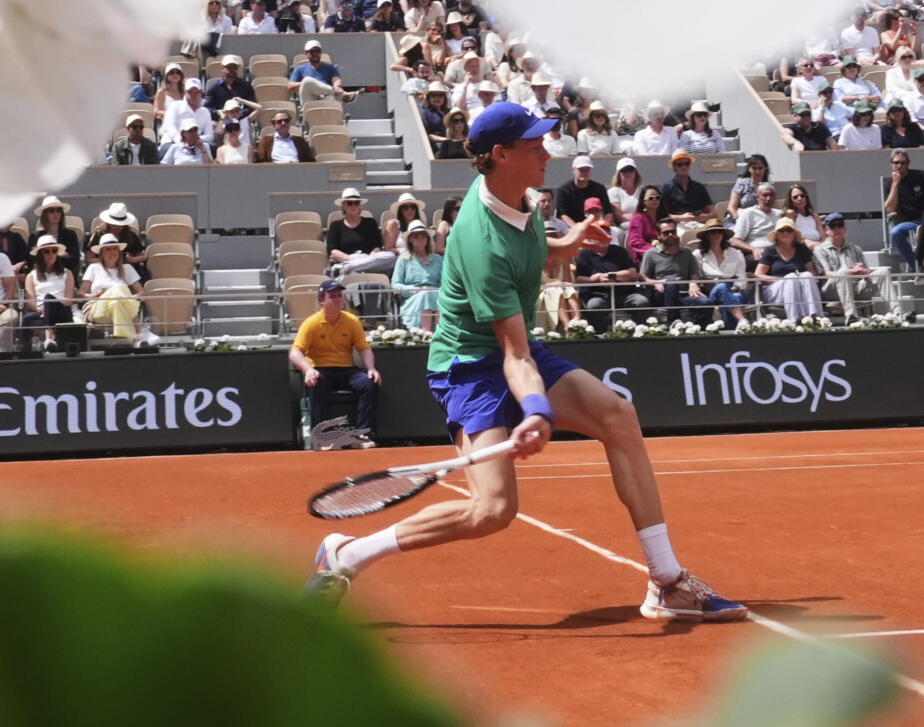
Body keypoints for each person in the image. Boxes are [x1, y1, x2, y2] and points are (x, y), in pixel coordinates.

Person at [308, 101, 745, 621]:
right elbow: (514, 354)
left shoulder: (523, 196)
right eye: (534, 145)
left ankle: (667, 581)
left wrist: (568, 243)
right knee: (493, 510)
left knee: (618, 416)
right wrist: (536, 409)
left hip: (515, 351)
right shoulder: (481, 241)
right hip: (469, 367)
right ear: (500, 154)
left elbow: (532, 252)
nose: (546, 152)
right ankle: (349, 553)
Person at [291, 277, 379, 443]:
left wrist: (371, 368)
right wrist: (308, 370)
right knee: (317, 382)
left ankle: (362, 434)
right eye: (332, 296)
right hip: (320, 370)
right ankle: (323, 436)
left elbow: (363, 348)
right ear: (321, 300)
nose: (337, 299)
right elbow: (295, 352)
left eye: (339, 296)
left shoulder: (352, 321)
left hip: (347, 370)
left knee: (369, 383)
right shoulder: (311, 323)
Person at [813, 215, 884, 319]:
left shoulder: (856, 249)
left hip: (856, 287)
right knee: (842, 273)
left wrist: (863, 270)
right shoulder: (820, 250)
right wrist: (851, 272)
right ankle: (851, 315)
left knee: (883, 271)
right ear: (826, 230)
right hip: (832, 290)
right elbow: (825, 274)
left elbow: (866, 271)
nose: (837, 228)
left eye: (840, 225)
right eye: (832, 226)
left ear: (844, 229)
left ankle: (897, 313)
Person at [757, 219, 823, 322]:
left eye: (789, 230)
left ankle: (816, 317)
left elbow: (812, 272)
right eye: (781, 230)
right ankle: (795, 320)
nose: (785, 233)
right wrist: (783, 279)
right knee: (791, 278)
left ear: (794, 234)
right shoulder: (770, 250)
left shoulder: (801, 249)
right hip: (776, 290)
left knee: (807, 275)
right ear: (777, 234)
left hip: (800, 287)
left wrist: (799, 276)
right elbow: (758, 274)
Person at [82, 234, 144, 341]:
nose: (112, 252)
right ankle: (140, 331)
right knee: (119, 287)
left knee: (115, 302)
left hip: (119, 307)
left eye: (115, 249)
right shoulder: (93, 268)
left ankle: (133, 340)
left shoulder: (127, 268)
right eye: (108, 249)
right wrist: (92, 295)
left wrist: (129, 298)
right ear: (101, 253)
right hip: (98, 307)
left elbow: (141, 292)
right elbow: (80, 293)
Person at [322, 188, 394, 275]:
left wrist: (365, 262)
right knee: (353, 274)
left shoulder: (370, 222)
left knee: (390, 256)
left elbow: (377, 246)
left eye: (356, 203)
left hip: (369, 261)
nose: (354, 206)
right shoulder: (336, 225)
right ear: (343, 206)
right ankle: (352, 267)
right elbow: (333, 252)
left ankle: (351, 267)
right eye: (350, 203)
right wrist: (355, 261)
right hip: (346, 260)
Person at [692, 221, 748, 329]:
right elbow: (695, 275)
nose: (716, 234)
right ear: (707, 235)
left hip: (733, 289)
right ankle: (741, 321)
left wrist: (734, 288)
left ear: (723, 235)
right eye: (713, 232)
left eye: (719, 231)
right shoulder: (698, 255)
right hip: (710, 291)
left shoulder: (736, 253)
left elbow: (741, 277)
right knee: (722, 289)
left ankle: (729, 332)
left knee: (732, 296)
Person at [391, 225, 442, 331]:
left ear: (427, 238)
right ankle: (426, 334)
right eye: (416, 236)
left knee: (435, 295)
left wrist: (432, 290)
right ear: (410, 239)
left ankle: (440, 334)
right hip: (413, 299)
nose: (420, 238)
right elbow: (395, 284)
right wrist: (412, 289)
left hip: (436, 294)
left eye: (423, 235)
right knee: (426, 294)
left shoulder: (438, 259)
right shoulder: (403, 259)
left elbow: (445, 284)